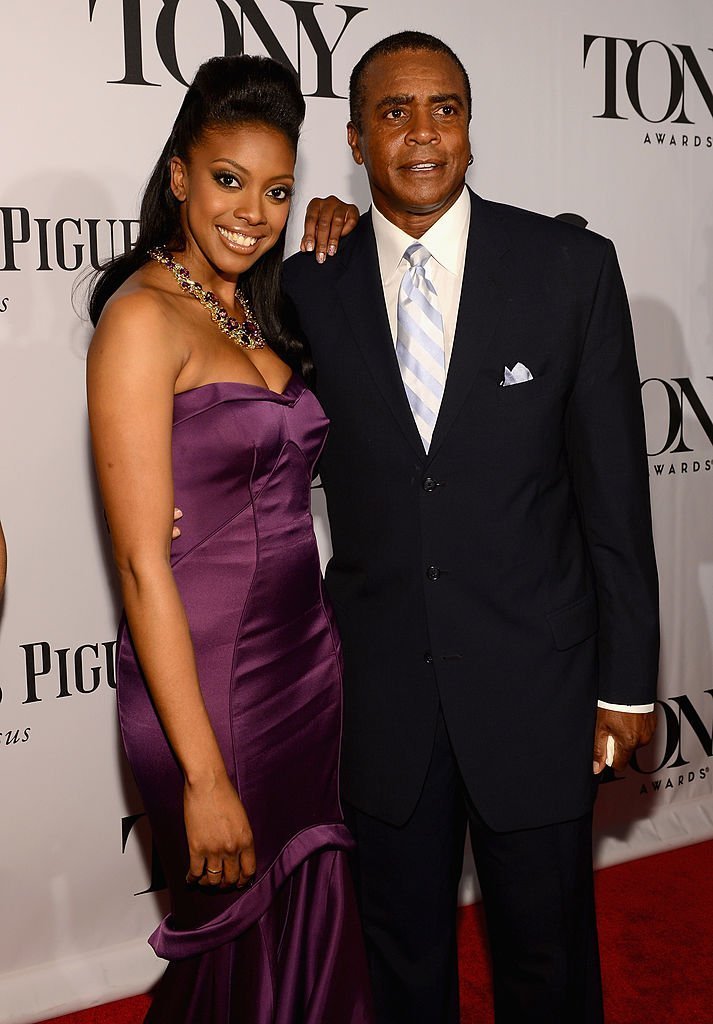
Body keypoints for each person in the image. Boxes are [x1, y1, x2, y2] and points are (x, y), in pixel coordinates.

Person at [282, 30, 660, 1024]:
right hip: (377, 699)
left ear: (468, 127)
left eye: (442, 108)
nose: (421, 133)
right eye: (392, 112)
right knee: (398, 964)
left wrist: (626, 684)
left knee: (549, 967)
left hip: (535, 688)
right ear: (355, 140)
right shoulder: (304, 287)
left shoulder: (568, 267)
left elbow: (613, 498)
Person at [86, 54, 373, 1024]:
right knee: (231, 945)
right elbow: (138, 563)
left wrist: (340, 220)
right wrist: (202, 775)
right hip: (203, 686)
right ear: (176, 174)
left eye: (277, 189)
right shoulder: (139, 319)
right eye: (226, 178)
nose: (253, 209)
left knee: (303, 916)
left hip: (303, 666)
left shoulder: (257, 304)